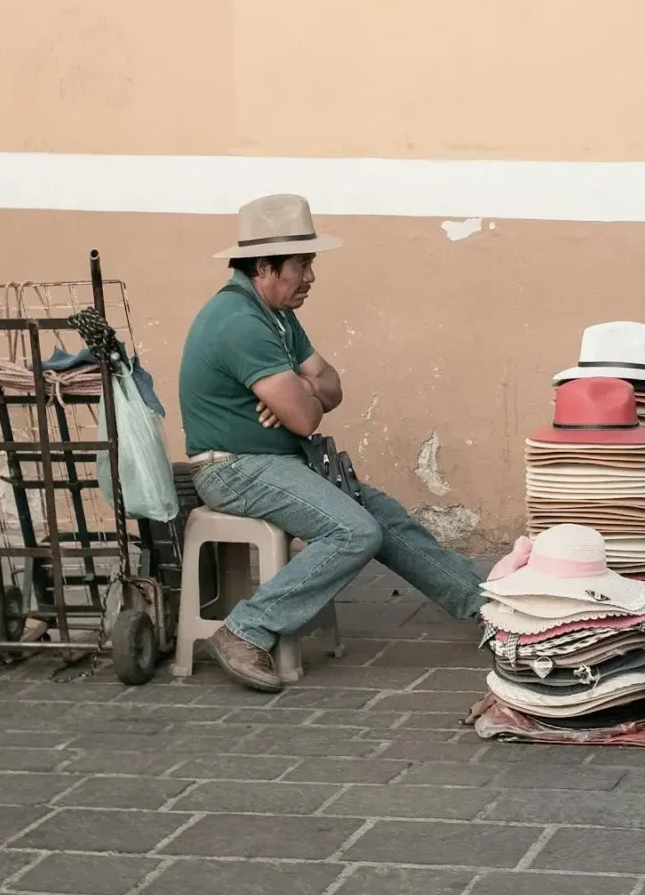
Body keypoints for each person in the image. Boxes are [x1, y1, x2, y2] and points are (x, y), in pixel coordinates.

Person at [180, 193, 485, 692]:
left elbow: (331, 384)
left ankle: (488, 607)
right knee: (354, 531)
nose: (310, 277)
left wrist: (300, 389)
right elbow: (304, 419)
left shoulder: (274, 314)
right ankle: (244, 630)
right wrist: (302, 395)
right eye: (301, 265)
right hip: (234, 467)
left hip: (277, 461)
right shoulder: (239, 322)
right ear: (264, 265)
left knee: (386, 517)